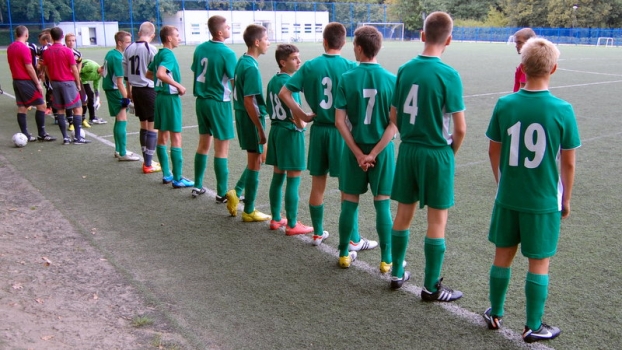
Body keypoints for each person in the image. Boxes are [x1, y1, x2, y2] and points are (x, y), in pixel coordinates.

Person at [482, 37, 580, 344]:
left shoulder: (505, 104)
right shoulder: (563, 110)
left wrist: (503, 183)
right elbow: (569, 163)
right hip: (542, 201)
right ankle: (533, 325)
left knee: (502, 256)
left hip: (508, 196)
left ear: (522, 67)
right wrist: (566, 198)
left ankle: (495, 312)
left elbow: (492, 151)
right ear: (553, 68)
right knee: (539, 262)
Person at [388, 12, 466, 302]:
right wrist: (449, 154)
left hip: (408, 150)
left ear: (422, 35)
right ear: (449, 40)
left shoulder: (405, 69)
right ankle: (431, 286)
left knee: (403, 214)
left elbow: (393, 115)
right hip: (436, 153)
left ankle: (397, 272)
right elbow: (460, 128)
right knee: (437, 221)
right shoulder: (449, 74)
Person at [279, 22, 377, 249]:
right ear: (344, 43)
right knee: (348, 188)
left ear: (324, 41)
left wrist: (302, 114)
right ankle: (353, 239)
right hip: (342, 133)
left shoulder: (311, 65)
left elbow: (284, 92)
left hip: (319, 130)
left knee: (317, 184)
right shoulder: (350, 66)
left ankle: (318, 233)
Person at [334, 26, 396, 270]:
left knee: (349, 202)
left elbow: (340, 121)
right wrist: (373, 154)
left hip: (353, 150)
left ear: (359, 48)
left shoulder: (347, 78)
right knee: (382, 203)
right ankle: (386, 259)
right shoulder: (392, 79)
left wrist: (359, 153)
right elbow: (393, 125)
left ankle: (343, 254)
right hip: (383, 152)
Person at [265, 44, 315, 236]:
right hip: (290, 132)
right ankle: (293, 223)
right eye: (294, 58)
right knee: (294, 177)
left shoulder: (272, 81)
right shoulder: (290, 83)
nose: (299, 61)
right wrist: (306, 120)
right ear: (282, 62)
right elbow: (298, 117)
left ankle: (276, 219)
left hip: (276, 130)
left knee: (278, 176)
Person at [225, 24, 271, 222]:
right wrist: (260, 129)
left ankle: (237, 192)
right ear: (257, 42)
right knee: (257, 162)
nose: (269, 42)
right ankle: (249, 209)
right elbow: (248, 100)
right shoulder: (251, 67)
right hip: (251, 118)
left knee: (255, 160)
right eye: (266, 39)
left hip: (243, 116)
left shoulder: (242, 61)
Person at [190, 15, 237, 201]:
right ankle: (221, 192)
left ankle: (197, 185)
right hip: (219, 102)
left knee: (203, 144)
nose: (229, 29)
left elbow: (198, 71)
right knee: (222, 148)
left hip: (201, 102)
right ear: (219, 32)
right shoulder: (227, 53)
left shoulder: (200, 48)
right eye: (227, 27)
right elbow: (234, 82)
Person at [148, 26, 193, 187]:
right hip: (169, 99)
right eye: (177, 35)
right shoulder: (168, 54)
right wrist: (178, 85)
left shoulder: (159, 54)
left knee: (163, 136)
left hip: (159, 98)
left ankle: (167, 174)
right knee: (176, 136)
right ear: (168, 38)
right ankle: (178, 178)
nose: (179, 38)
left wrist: (162, 81)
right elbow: (160, 73)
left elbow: (149, 73)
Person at [123, 21, 162, 173]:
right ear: (152, 35)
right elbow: (157, 73)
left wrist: (129, 91)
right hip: (148, 90)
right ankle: (148, 164)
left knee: (143, 124)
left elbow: (126, 74)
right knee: (152, 126)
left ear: (139, 33)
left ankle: (147, 160)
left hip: (136, 90)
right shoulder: (151, 49)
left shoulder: (128, 48)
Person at [40, 27, 90, 145]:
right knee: (78, 109)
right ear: (62, 37)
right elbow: (74, 68)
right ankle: (78, 137)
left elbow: (46, 68)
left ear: (51, 37)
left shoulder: (46, 52)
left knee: (60, 110)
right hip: (68, 82)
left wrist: (52, 80)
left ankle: (65, 138)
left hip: (55, 83)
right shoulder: (67, 51)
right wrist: (77, 83)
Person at [7, 25, 55, 142]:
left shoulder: (10, 47)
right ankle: (42, 134)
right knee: (42, 105)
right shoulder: (24, 48)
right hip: (25, 81)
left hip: (16, 80)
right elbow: (29, 67)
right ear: (26, 35)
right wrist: (37, 83)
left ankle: (25, 134)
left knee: (22, 107)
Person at [103, 31, 139, 160]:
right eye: (128, 42)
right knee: (122, 119)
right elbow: (119, 82)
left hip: (110, 89)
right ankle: (122, 153)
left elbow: (103, 70)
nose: (130, 44)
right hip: (115, 90)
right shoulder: (118, 57)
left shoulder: (111, 53)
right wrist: (128, 99)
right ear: (119, 43)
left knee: (119, 119)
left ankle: (118, 150)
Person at [64, 33, 90, 130]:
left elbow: (79, 64)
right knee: (70, 102)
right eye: (69, 40)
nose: (71, 42)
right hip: (67, 81)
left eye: (73, 40)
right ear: (65, 41)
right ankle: (71, 123)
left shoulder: (77, 53)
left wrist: (77, 74)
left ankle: (83, 119)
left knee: (84, 100)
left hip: (77, 80)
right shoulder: (63, 52)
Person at [79, 58, 107, 125]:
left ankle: (92, 117)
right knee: (82, 98)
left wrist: (97, 98)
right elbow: (77, 71)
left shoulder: (99, 75)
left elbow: (96, 86)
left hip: (83, 81)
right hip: (75, 80)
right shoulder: (90, 66)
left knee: (90, 95)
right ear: (102, 68)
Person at [512, 28, 536, 92]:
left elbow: (523, 90)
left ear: (530, 43)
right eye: (516, 43)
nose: (516, 46)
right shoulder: (528, 61)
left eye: (519, 42)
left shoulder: (530, 64)